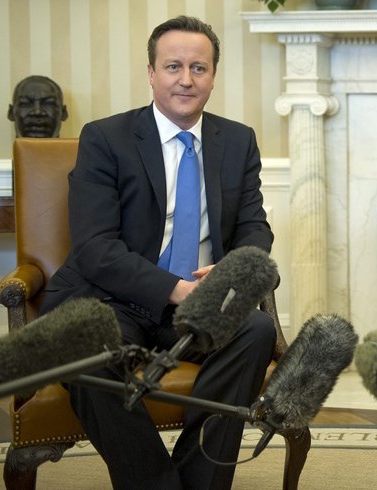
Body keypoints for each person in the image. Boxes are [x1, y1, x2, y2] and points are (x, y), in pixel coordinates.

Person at [40, 16, 276, 490]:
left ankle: (200, 479)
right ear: (151, 72)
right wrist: (176, 290)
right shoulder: (106, 138)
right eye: (173, 66)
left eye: (198, 68)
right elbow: (94, 247)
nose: (186, 79)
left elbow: (255, 227)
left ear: (212, 75)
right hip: (113, 298)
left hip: (200, 301)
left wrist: (232, 273)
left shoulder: (237, 140)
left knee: (255, 329)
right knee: (82, 348)